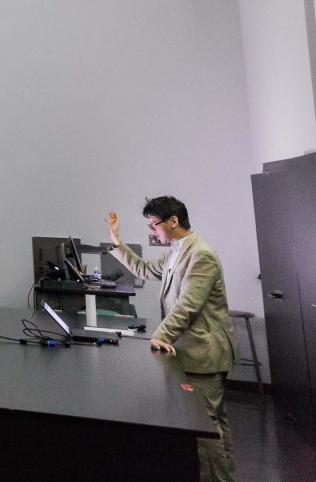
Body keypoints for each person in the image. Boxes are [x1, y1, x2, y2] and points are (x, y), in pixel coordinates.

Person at [106, 197, 237, 480]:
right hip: (192, 351)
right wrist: (117, 243)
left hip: (205, 353)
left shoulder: (200, 254)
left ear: (173, 221)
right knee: (214, 425)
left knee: (204, 430)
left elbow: (187, 305)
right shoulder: (177, 251)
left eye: (154, 224)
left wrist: (160, 335)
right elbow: (144, 269)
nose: (153, 231)